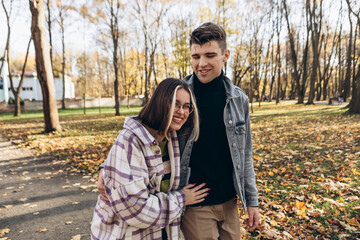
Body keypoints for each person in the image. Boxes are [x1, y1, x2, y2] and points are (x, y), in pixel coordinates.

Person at [98, 22, 260, 239]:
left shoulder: (239, 100)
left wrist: (252, 201)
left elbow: (245, 153)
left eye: (209, 55)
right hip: (195, 204)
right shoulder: (180, 94)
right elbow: (143, 127)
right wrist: (106, 167)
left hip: (230, 201)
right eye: (196, 56)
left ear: (225, 55)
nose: (201, 63)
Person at [91, 78, 209, 240]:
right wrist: (181, 199)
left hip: (160, 232)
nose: (182, 112)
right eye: (176, 104)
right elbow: (136, 209)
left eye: (186, 107)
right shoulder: (131, 140)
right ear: (161, 102)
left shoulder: (171, 137)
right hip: (124, 234)